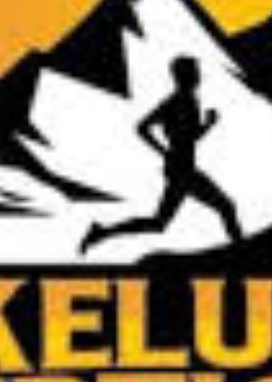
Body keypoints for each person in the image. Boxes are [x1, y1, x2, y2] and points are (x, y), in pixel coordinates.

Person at [84, 48, 241, 254]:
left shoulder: (187, 100)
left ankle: (101, 232)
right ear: (184, 76)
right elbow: (143, 127)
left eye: (197, 72)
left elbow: (188, 138)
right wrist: (165, 151)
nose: (199, 76)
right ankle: (241, 252)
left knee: (159, 223)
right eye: (195, 72)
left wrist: (206, 126)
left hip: (182, 167)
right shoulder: (177, 102)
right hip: (181, 170)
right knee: (226, 207)